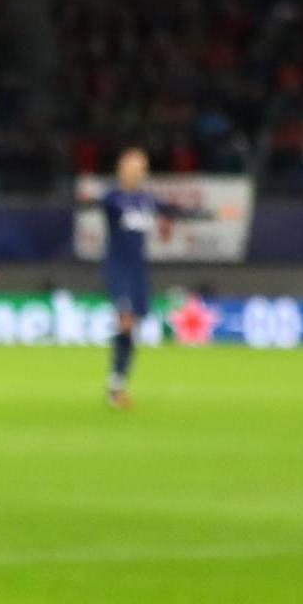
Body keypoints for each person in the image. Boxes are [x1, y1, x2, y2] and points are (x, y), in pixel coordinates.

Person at [95, 147, 203, 409]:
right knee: (126, 320)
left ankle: (118, 381)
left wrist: (207, 213)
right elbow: (97, 203)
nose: (139, 173)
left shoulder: (146, 200)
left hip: (139, 270)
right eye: (134, 167)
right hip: (118, 267)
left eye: (142, 168)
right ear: (122, 169)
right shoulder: (113, 199)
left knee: (134, 324)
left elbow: (171, 211)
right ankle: (116, 385)